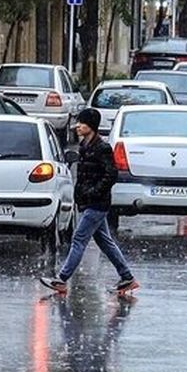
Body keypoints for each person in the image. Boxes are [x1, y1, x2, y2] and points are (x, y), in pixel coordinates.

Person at [40, 108, 139, 295]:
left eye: (82, 123)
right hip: (89, 202)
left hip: (97, 204)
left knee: (78, 239)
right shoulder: (85, 145)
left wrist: (94, 192)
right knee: (105, 242)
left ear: (91, 126)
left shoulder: (102, 148)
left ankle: (61, 279)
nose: (78, 126)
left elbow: (111, 174)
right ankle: (127, 277)